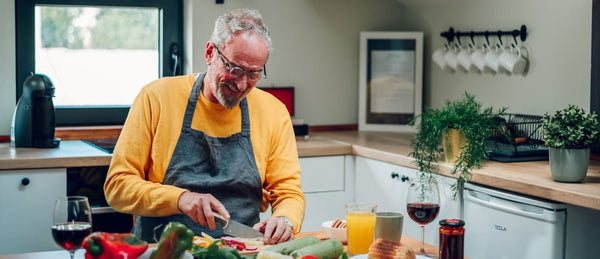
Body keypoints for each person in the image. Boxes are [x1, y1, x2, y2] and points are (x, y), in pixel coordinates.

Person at [103, 8, 305, 245]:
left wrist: (285, 219)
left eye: (253, 74)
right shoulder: (156, 97)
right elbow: (117, 186)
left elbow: (289, 193)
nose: (241, 84)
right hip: (161, 248)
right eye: (235, 69)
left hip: (241, 248)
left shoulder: (273, 112)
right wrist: (180, 198)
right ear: (210, 53)